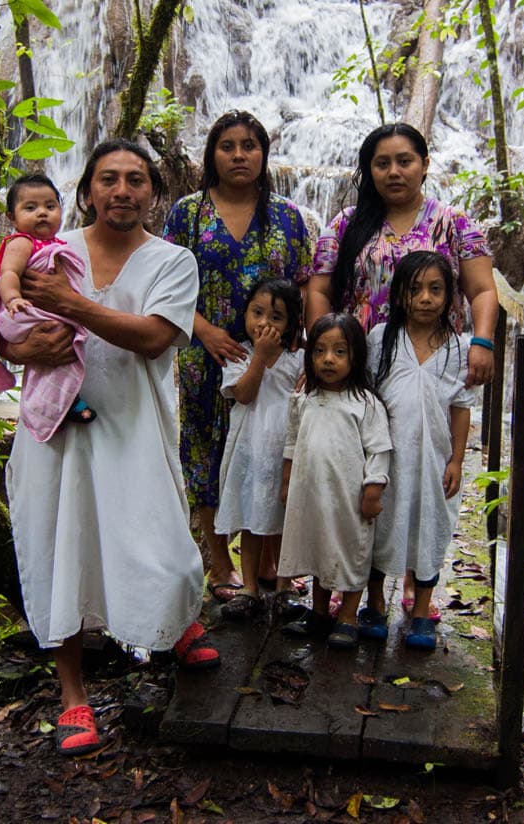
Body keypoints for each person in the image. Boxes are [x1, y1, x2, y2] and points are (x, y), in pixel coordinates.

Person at [0, 140, 219, 757]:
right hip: (56, 429)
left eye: (136, 180)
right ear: (88, 191)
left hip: (135, 422)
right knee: (58, 549)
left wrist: (71, 304)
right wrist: (22, 351)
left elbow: (154, 338)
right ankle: (73, 696)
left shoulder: (173, 261)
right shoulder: (49, 250)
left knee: (161, 544)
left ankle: (174, 621)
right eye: (108, 180)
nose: (122, 190)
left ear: (154, 192)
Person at [305, 121, 500, 619]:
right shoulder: (348, 223)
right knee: (362, 474)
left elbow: (481, 290)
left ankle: (416, 584)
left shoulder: (454, 223)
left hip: (431, 362)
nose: (394, 171)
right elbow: (320, 289)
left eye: (404, 160)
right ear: (369, 170)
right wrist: (319, 350)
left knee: (420, 467)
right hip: (357, 367)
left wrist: (481, 341)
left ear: (424, 164)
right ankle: (351, 580)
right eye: (382, 163)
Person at [163, 111, 313, 602]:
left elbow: (307, 285)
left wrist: (295, 349)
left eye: (249, 145)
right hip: (205, 355)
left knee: (266, 452)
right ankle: (219, 559)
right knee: (207, 450)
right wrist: (202, 331)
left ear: (264, 154)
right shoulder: (188, 214)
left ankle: (268, 557)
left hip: (275, 361)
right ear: (211, 155)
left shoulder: (288, 217)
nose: (239, 155)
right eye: (227, 146)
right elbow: (163, 285)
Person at [360, 251, 473, 652]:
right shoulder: (381, 339)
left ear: (449, 296)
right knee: (381, 525)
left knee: (429, 527)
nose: (425, 298)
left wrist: (457, 459)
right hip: (387, 456)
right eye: (415, 289)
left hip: (433, 459)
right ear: (400, 294)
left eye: (436, 289)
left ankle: (422, 610)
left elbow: (461, 407)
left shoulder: (460, 348)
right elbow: (368, 399)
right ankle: (374, 602)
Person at [277, 312, 392, 650]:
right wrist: (287, 481)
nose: (328, 360)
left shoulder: (365, 403)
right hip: (311, 496)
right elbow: (292, 442)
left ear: (355, 356)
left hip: (348, 499)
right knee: (318, 549)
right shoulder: (305, 398)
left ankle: (348, 616)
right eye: (320, 351)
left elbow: (380, 450)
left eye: (339, 351)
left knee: (349, 552)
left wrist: (374, 489)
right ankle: (319, 610)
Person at [0, 173, 94, 442]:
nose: (42, 213)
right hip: (20, 312)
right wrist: (13, 299)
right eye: (30, 208)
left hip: (29, 309)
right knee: (60, 342)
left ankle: (58, 405)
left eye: (50, 207)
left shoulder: (56, 244)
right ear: (12, 218)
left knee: (59, 353)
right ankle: (55, 407)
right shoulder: (22, 242)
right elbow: (8, 274)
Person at [214, 277, 305, 621]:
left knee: (283, 522)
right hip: (250, 453)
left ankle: (284, 585)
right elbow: (245, 394)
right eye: (257, 312)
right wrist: (260, 358)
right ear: (246, 313)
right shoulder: (239, 354)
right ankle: (250, 587)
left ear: (291, 324)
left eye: (276, 317)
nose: (264, 323)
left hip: (284, 453)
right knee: (252, 521)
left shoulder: (299, 359)